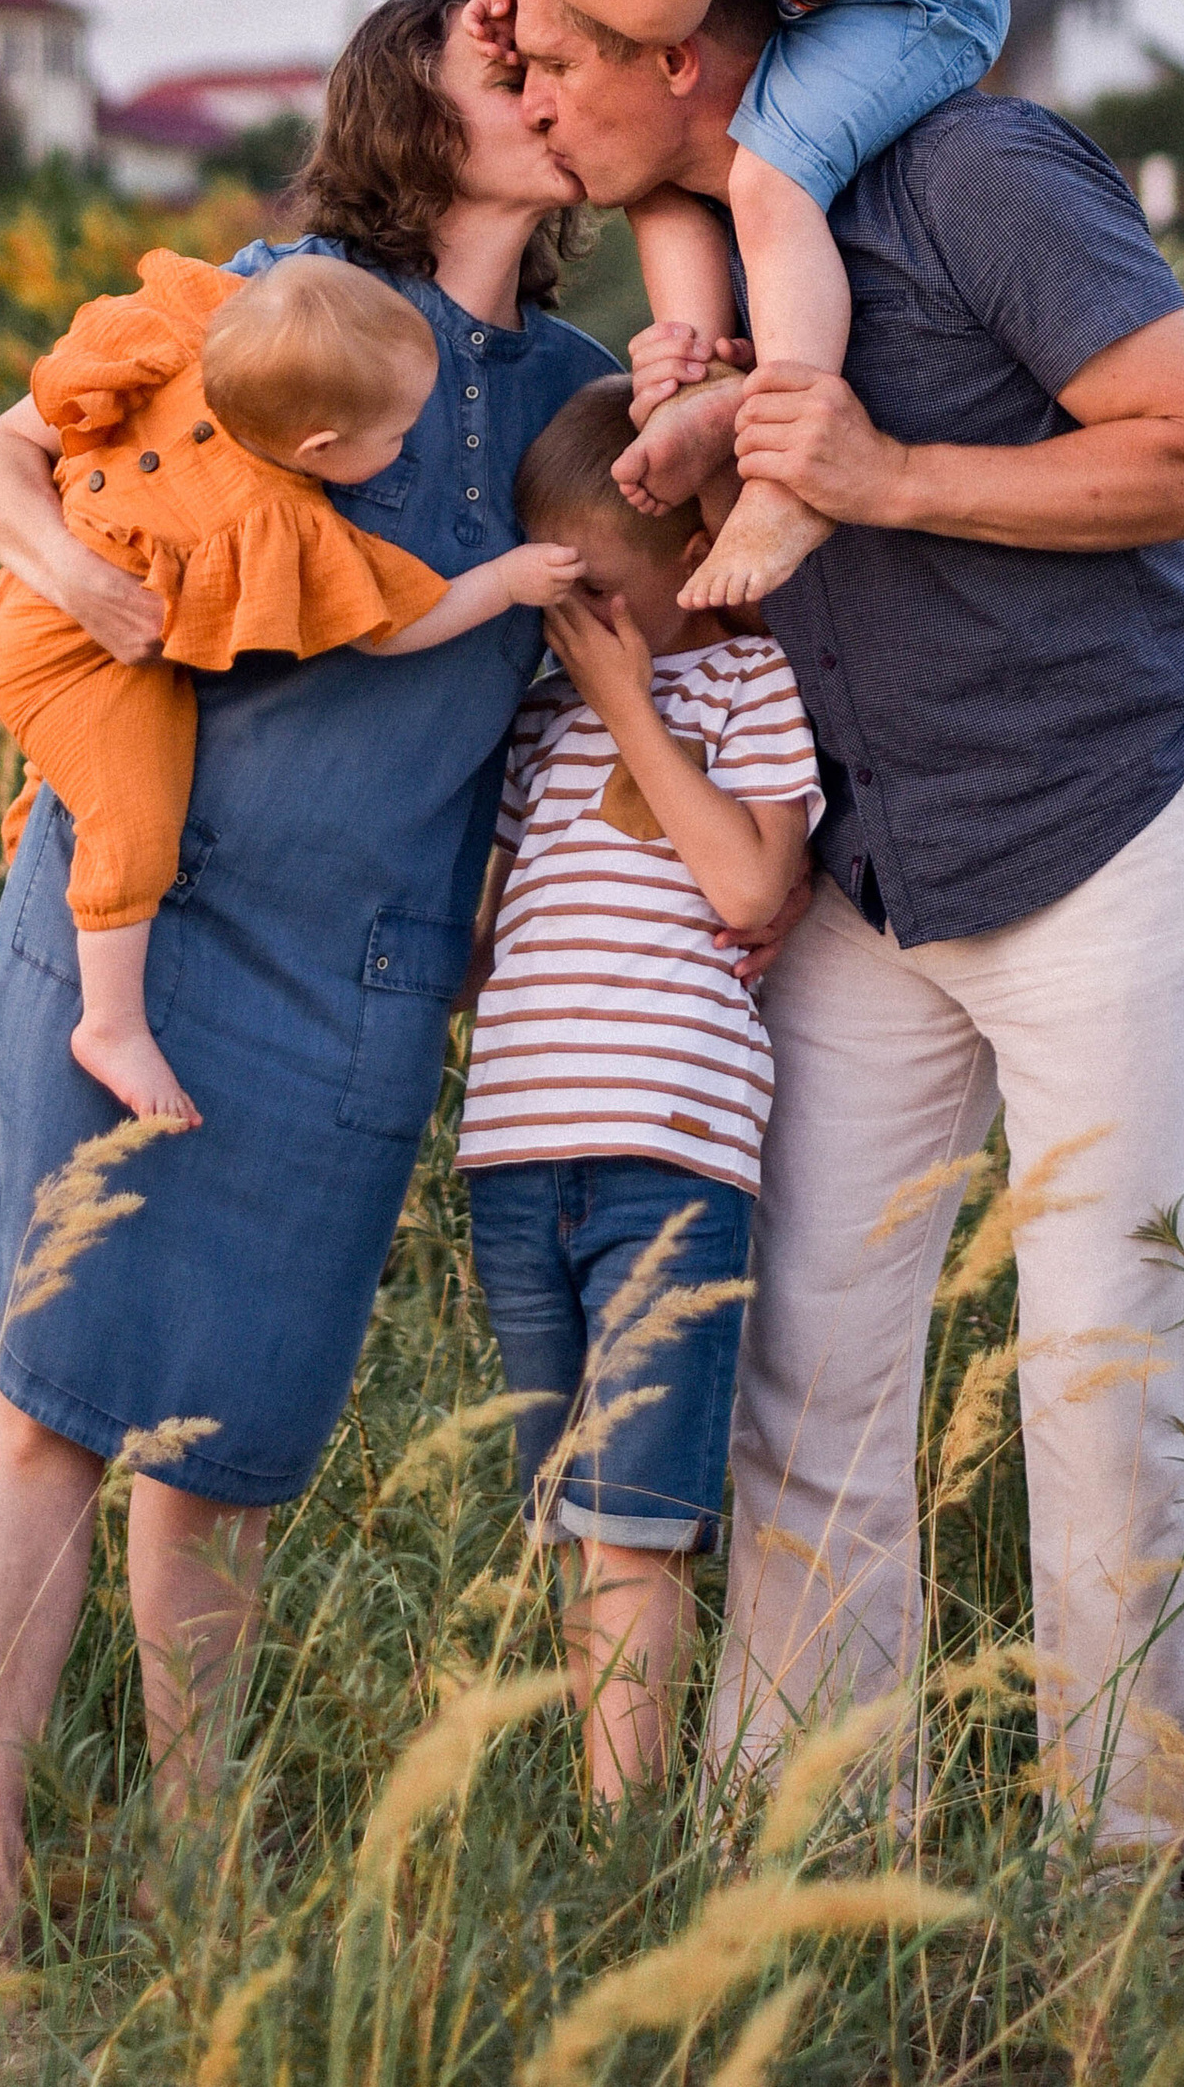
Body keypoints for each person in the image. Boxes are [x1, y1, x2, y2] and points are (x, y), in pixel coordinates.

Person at [501, 0, 1184, 1861]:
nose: (530, 113)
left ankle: (1135, 1877)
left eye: (555, 74)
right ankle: (819, 1858)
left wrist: (890, 469)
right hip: (866, 860)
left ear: (680, 56)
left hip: (1100, 818)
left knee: (1103, 1383)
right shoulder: (703, 255)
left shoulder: (973, 175)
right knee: (804, 1370)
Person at [0, 0, 612, 1961]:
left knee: (216, 1441)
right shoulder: (281, 292)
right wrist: (73, 581)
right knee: (55, 1400)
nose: (557, 86)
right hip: (145, 908)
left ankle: (190, 1860)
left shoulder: (573, 377)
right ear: (418, 101)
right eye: (516, 64)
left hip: (363, 964)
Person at [389, 0, 1009, 611]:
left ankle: (789, 470)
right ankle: (692, 374)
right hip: (827, 0)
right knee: (655, 170)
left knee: (767, 180)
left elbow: (659, 10)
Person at [0, 246, 580, 1122]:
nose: (407, 445)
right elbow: (393, 625)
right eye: (397, 437)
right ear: (319, 446)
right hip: (74, 652)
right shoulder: (275, 518)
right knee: (137, 813)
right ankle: (109, 1023)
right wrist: (508, 582)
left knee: (85, 772)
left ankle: (43, 851)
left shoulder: (192, 344)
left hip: (21, 599)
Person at [456, 377, 822, 1797]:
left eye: (591, 587)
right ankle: (594, 1805)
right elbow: (486, 935)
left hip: (669, 1155)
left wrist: (625, 700)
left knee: (636, 1519)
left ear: (686, 558)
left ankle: (624, 1836)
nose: (567, 620)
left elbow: (747, 880)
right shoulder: (541, 719)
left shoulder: (749, 683)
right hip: (517, 1154)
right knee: (567, 1505)